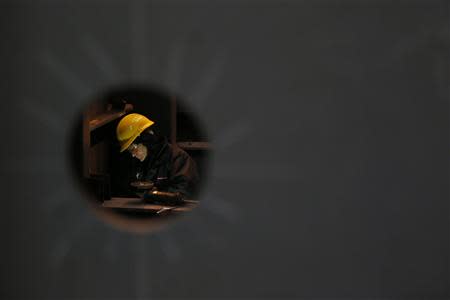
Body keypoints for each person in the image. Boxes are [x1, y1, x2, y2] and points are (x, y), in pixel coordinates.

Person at [116, 113, 199, 199]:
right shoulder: (139, 163)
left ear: (147, 140)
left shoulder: (179, 159)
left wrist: (155, 195)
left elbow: (183, 193)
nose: (133, 155)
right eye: (130, 152)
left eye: (133, 149)